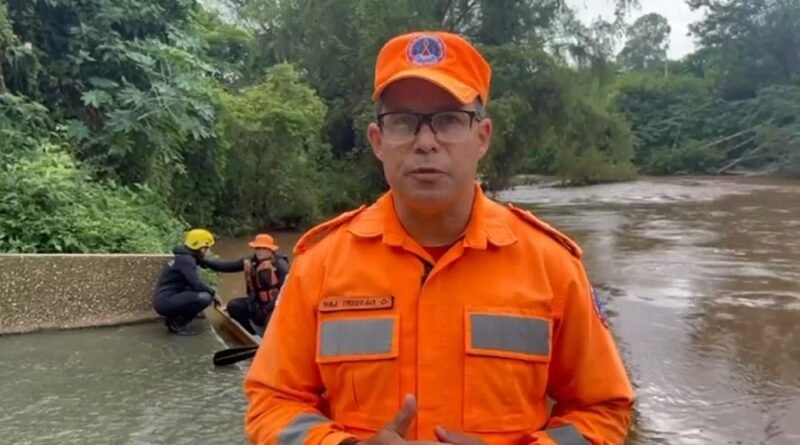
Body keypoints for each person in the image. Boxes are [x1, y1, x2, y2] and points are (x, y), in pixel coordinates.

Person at [242, 31, 635, 445]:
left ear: (482, 137)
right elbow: (272, 402)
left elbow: (603, 410)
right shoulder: (319, 265)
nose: (426, 143)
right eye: (403, 122)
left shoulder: (551, 266)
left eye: (449, 119)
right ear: (378, 141)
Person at [198, 233, 290, 336]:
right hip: (258, 304)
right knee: (234, 306)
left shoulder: (280, 264)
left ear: (271, 250)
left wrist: (266, 309)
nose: (260, 251)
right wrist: (204, 262)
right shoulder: (250, 261)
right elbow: (226, 266)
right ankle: (251, 334)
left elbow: (286, 291)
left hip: (275, 306)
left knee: (278, 329)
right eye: (257, 248)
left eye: (264, 248)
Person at [152, 228, 222, 336]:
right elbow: (196, 284)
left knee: (198, 292)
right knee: (205, 297)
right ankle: (178, 325)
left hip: (166, 299)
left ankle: (172, 321)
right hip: (165, 302)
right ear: (202, 248)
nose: (209, 251)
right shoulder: (187, 260)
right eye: (208, 248)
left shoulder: (184, 256)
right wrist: (213, 293)